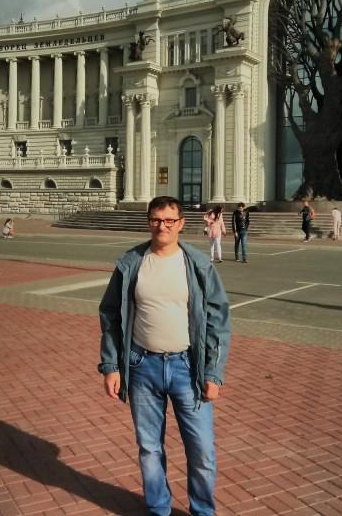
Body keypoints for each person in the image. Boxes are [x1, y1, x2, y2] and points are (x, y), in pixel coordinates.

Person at [98, 196, 231, 516]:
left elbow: (218, 320)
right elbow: (110, 314)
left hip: (188, 367)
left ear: (181, 224)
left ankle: (203, 511)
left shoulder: (198, 264)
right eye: (156, 220)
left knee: (201, 449)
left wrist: (213, 373)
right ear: (149, 222)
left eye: (170, 220)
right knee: (149, 448)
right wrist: (111, 366)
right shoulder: (131, 263)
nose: (163, 226)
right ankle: (158, 509)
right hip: (141, 366)